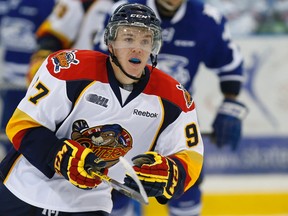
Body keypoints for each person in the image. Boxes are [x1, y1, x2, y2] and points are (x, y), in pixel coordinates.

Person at [0, 3, 204, 216]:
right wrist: (58, 155)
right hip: (22, 189)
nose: (138, 48)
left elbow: (190, 157)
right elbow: (22, 125)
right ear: (110, 43)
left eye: (146, 40)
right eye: (128, 39)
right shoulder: (69, 70)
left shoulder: (174, 99)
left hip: (89, 204)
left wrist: (171, 173)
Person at [94, 0, 247, 215]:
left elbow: (229, 65)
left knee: (184, 184)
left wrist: (230, 104)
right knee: (114, 189)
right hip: (124, 116)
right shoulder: (124, 10)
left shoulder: (207, 18)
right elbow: (99, 63)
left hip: (176, 119)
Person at [0, 0, 55, 160]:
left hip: (35, 83)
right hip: (9, 80)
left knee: (27, 133)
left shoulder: (45, 4)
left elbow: (51, 37)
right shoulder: (7, 4)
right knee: (8, 130)